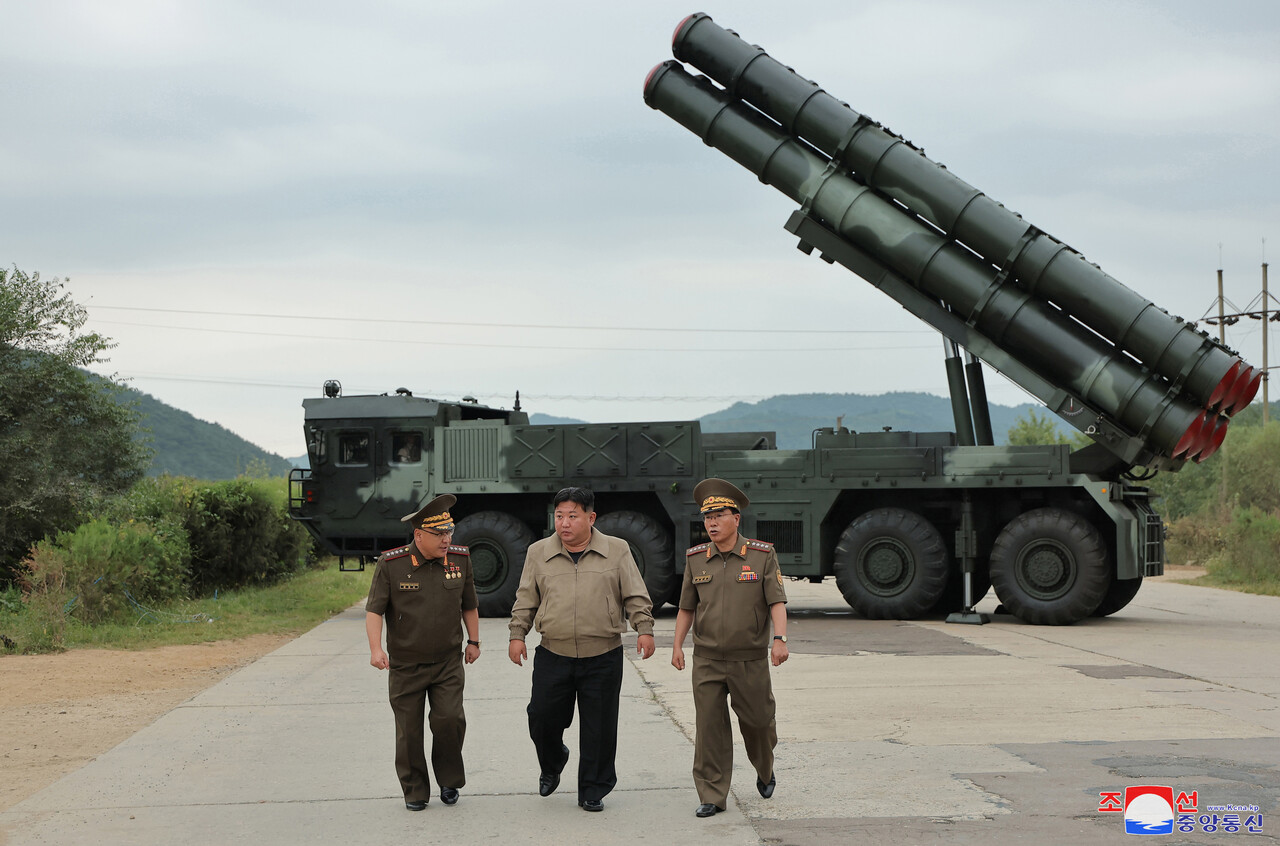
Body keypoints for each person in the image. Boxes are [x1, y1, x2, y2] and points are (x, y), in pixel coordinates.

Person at [507, 486, 656, 812]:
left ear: (591, 517)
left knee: (599, 726)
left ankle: (593, 788)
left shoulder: (617, 550)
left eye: (572, 516)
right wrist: (517, 634)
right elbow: (526, 598)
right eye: (559, 516)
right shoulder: (538, 552)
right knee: (541, 716)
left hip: (602, 653)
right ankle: (552, 761)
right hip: (553, 652)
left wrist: (644, 628)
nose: (564, 523)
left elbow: (634, 593)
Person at [671, 478, 788, 818]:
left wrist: (779, 640)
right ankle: (712, 794)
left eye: (719, 515)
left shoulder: (762, 556)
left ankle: (764, 767)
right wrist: (677, 645)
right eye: (707, 517)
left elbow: (776, 601)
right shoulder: (696, 559)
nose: (711, 522)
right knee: (709, 728)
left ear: (736, 519)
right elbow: (686, 608)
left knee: (759, 723)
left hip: (749, 660)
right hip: (706, 659)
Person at [366, 494, 481, 811]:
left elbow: (469, 604)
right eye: (439, 534)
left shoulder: (460, 559)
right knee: (409, 732)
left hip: (447, 663)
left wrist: (474, 641)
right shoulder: (392, 564)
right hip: (405, 666)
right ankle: (415, 790)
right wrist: (376, 649)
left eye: (449, 533)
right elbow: (375, 611)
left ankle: (449, 781)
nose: (447, 540)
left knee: (449, 720)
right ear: (419, 535)